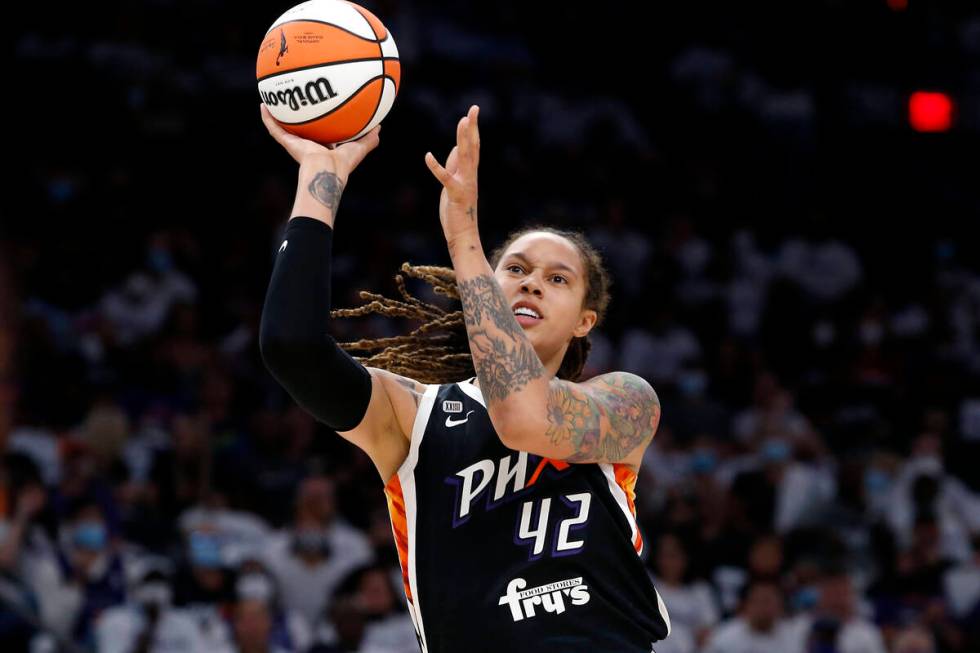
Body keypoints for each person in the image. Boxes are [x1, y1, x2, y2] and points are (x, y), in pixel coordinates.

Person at [258, 103, 669, 652]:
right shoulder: (415, 415)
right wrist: (319, 179)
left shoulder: (624, 402)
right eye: (516, 270)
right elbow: (292, 348)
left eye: (557, 279)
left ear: (584, 322)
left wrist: (464, 237)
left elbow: (523, 418)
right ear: (486, 292)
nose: (531, 285)